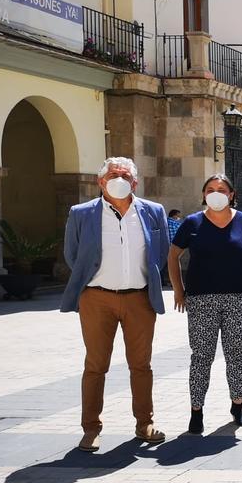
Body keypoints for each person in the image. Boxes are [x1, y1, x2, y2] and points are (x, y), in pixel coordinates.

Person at [61, 157, 169, 453]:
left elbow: (160, 253)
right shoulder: (81, 213)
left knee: (141, 364)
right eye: (112, 174)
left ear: (135, 182)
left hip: (139, 298)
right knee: (95, 365)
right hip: (97, 298)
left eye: (124, 175)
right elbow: (72, 254)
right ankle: (91, 428)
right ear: (101, 181)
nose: (118, 178)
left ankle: (144, 423)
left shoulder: (153, 211)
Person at [169, 174, 242, 434]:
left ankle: (237, 405)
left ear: (232, 194)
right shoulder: (192, 222)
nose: (216, 193)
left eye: (221, 189)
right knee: (201, 356)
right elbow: (173, 255)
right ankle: (196, 411)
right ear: (203, 194)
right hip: (201, 299)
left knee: (236, 354)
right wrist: (179, 289)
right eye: (210, 189)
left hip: (239, 298)